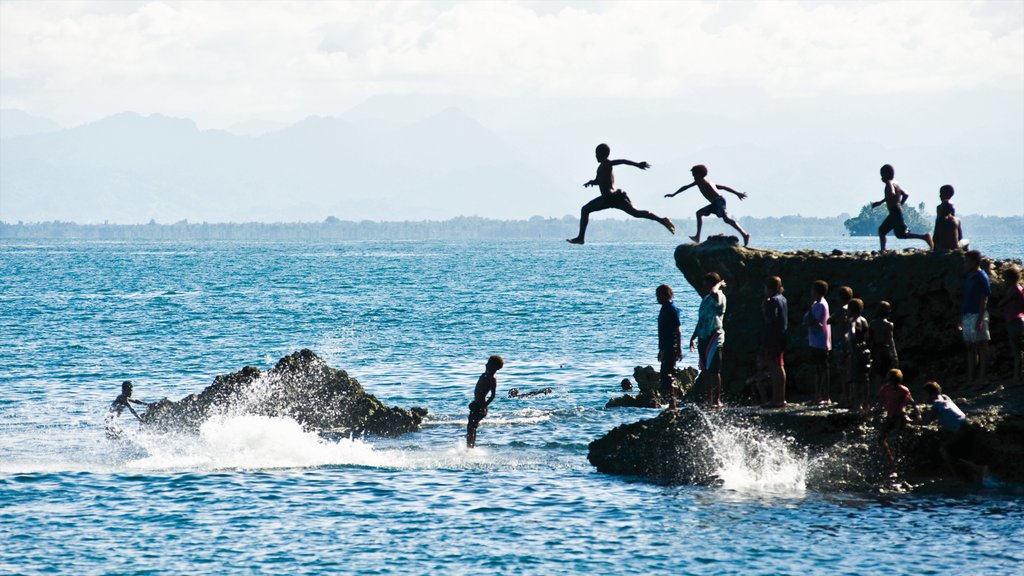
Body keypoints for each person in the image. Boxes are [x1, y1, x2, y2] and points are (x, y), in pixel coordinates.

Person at [566, 143, 675, 244]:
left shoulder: (607, 163)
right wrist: (592, 182)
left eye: (597, 153)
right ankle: (662, 220)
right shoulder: (602, 167)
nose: (595, 156)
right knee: (636, 213)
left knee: (585, 209)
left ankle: (581, 238)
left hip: (610, 197)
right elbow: (600, 181)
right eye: (595, 153)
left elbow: (622, 161)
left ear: (603, 154)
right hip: (615, 197)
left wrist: (637, 164)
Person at [665, 164, 751, 247]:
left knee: (726, 219)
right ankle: (697, 237)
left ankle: (745, 234)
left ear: (699, 174)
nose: (693, 176)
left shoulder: (701, 181)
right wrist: (737, 193)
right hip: (715, 202)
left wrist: (673, 194)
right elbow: (724, 187)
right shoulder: (706, 182)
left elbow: (685, 187)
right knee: (699, 213)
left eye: (694, 174)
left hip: (719, 201)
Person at [921, 381, 987, 483]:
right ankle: (974, 473)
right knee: (959, 453)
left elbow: (925, 422)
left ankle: (968, 473)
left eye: (925, 395)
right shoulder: (945, 397)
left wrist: (908, 420)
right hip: (968, 426)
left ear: (932, 394)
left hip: (962, 430)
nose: (924, 398)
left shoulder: (936, 405)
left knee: (944, 450)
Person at [871, 164, 933, 251]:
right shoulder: (896, 183)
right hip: (895, 211)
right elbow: (906, 194)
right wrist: (900, 204)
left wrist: (880, 202)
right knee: (886, 231)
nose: (881, 178)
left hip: (895, 211)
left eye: (882, 175)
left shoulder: (889, 183)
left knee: (898, 234)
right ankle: (883, 249)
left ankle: (925, 236)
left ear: (887, 174)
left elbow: (892, 193)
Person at [691, 272, 727, 407]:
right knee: (705, 369)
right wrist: (693, 336)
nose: (704, 286)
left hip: (714, 336)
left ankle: (716, 400)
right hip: (703, 336)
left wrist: (718, 284)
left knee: (714, 369)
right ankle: (708, 398)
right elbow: (701, 319)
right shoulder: (706, 299)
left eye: (707, 283)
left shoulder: (719, 296)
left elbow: (714, 291)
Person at [960, 250, 991, 386]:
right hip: (967, 315)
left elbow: (984, 300)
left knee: (981, 346)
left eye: (967, 261)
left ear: (974, 262)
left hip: (977, 315)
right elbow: (965, 298)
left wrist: (979, 319)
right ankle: (971, 378)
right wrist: (961, 316)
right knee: (970, 347)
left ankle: (982, 378)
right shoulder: (968, 277)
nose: (965, 264)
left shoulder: (981, 276)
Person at [875, 368, 913, 467]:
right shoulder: (885, 388)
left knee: (893, 439)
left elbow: (910, 402)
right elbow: (878, 399)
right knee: (880, 439)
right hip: (890, 417)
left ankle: (897, 460)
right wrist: (871, 409)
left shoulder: (903, 390)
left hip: (899, 417)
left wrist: (917, 414)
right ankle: (891, 459)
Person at [761, 276, 788, 407]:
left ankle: (777, 399)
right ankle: (780, 398)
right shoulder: (783, 298)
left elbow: (770, 320)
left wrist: (764, 307)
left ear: (769, 288)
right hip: (782, 336)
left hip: (773, 338)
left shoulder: (772, 301)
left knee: (774, 367)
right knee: (779, 365)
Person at [466, 355, 504, 448]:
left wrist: (484, 406)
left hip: (481, 406)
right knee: (470, 426)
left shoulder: (492, 379)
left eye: (488, 363)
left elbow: (492, 395)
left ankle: (470, 446)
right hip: (476, 404)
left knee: (472, 426)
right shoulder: (484, 375)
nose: (486, 364)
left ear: (493, 367)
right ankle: (469, 446)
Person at [804, 280, 832, 405]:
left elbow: (815, 323)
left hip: (820, 342)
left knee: (821, 370)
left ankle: (822, 397)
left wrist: (809, 308)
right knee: (820, 369)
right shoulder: (818, 303)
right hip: (816, 341)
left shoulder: (820, 305)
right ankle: (819, 396)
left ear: (816, 291)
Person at [657, 284, 682, 410]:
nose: (657, 298)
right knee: (665, 375)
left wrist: (678, 349)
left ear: (665, 295)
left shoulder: (671, 309)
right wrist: (660, 350)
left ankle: (673, 403)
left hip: (671, 347)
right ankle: (670, 402)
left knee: (670, 374)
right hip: (665, 347)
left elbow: (678, 330)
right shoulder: (664, 309)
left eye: (659, 295)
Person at [998, 266, 1024, 386]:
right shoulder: (1020, 288)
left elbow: (1002, 303)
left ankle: (1016, 377)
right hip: (1019, 320)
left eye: (1005, 278)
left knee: (1016, 351)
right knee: (1019, 350)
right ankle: (1018, 377)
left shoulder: (1013, 289)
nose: (1004, 281)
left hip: (1014, 321)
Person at [828, 286, 854, 405]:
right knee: (848, 369)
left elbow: (829, 320)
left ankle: (845, 396)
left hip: (840, 342)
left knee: (842, 370)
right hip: (848, 342)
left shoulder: (841, 309)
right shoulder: (851, 309)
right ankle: (849, 395)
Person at [847, 298, 872, 413]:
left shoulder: (853, 321)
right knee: (865, 379)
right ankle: (866, 403)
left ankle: (857, 405)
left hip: (856, 352)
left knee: (856, 380)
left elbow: (852, 334)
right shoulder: (864, 320)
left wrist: (851, 343)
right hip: (865, 351)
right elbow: (867, 336)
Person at [870, 301, 899, 391]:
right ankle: (885, 395)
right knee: (886, 374)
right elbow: (891, 340)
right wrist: (895, 355)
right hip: (886, 350)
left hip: (875, 350)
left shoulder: (872, 323)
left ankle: (878, 395)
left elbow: (870, 339)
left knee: (877, 374)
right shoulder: (889, 325)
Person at [933, 185, 964, 252]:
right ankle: (964, 254)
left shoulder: (940, 209)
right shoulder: (956, 219)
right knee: (965, 242)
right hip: (953, 246)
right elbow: (960, 236)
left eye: (941, 193)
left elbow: (935, 237)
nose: (940, 196)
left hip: (943, 245)